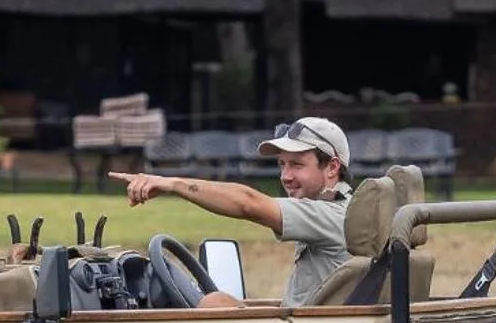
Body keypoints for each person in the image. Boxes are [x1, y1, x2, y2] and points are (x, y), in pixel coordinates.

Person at [112, 116, 353, 305]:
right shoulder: (335, 211)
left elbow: (248, 203)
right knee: (216, 302)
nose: (285, 176)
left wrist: (172, 184)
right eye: (282, 164)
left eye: (297, 165)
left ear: (332, 167)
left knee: (212, 306)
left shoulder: (335, 214)